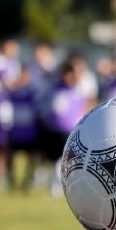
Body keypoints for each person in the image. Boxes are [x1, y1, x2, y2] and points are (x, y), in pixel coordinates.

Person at [41, 62, 87, 197]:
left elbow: (83, 104)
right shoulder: (55, 88)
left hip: (70, 129)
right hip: (55, 128)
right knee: (55, 158)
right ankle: (54, 185)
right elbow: (48, 106)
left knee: (66, 159)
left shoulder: (78, 89)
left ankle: (61, 185)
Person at [8, 64, 41, 190]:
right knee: (9, 156)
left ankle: (28, 181)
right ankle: (11, 180)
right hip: (14, 131)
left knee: (32, 157)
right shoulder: (12, 91)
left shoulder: (33, 91)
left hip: (29, 131)